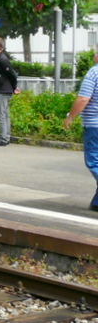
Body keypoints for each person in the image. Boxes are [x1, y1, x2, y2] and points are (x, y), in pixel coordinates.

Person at [64, 49, 98, 211]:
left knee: (94, 162)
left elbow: (84, 98)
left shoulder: (94, 73)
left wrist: (70, 116)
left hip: (94, 125)